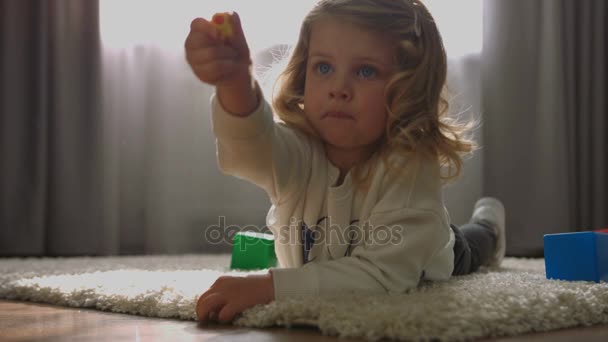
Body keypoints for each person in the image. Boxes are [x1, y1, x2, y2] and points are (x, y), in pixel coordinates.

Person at [184, 0, 506, 324]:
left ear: (408, 89)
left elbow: (382, 275)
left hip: (429, 249)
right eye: (323, 68)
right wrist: (234, 83)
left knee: (473, 246)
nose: (339, 88)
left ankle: (491, 224)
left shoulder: (410, 164)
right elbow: (249, 149)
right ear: (303, 74)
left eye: (365, 71)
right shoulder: (298, 150)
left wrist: (268, 287)